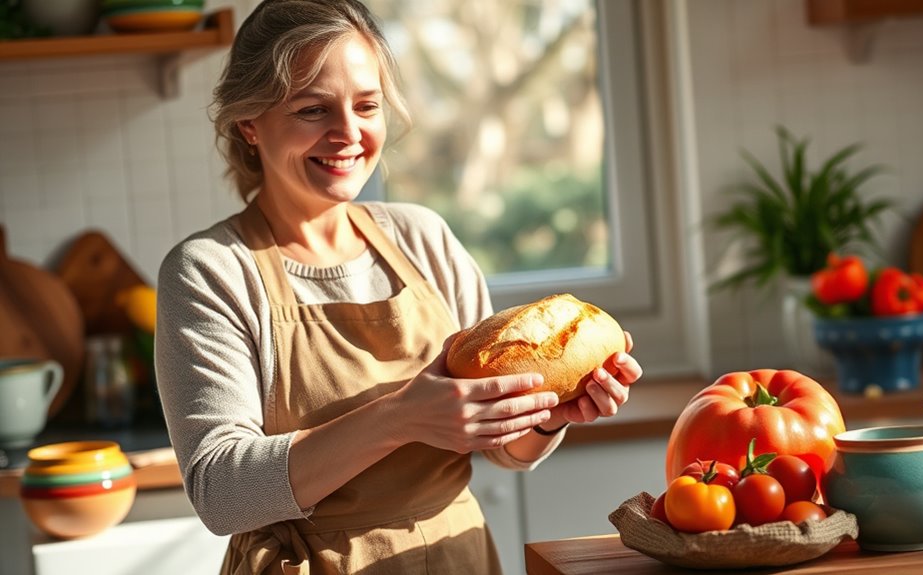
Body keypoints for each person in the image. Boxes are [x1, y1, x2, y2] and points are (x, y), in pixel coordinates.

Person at [154, 1, 643, 573]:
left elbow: (504, 452)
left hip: (456, 556)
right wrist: (399, 418)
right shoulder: (210, 271)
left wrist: (548, 413)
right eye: (313, 109)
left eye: (367, 105)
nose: (348, 133)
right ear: (249, 124)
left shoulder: (421, 237)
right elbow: (221, 494)